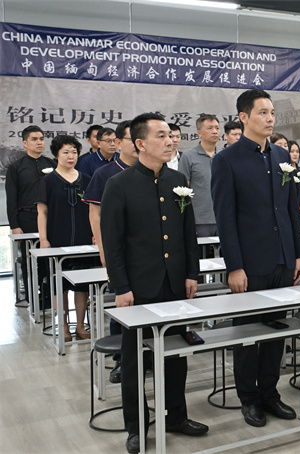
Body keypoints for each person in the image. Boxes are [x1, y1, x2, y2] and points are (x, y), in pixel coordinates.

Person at [101, 113, 208, 453]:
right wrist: (121, 287)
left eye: (171, 135)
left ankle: (176, 415)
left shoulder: (177, 179)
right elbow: (113, 243)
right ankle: (136, 427)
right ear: (140, 143)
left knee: (175, 355)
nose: (170, 140)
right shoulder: (119, 184)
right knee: (135, 361)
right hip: (138, 287)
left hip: (174, 283)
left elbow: (188, 234)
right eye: (160, 135)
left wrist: (191, 273)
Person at [211, 89, 300, 428]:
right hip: (250, 263)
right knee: (247, 335)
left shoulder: (281, 155)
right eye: (262, 112)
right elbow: (226, 218)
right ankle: (248, 398)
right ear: (244, 117)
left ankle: (270, 393)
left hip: (282, 259)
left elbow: (291, 210)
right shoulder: (227, 159)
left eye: (271, 113)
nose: (270, 118)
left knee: (276, 331)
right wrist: (234, 266)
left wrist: (298, 254)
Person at [82, 120, 136, 383]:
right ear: (118, 143)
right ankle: (122, 359)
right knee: (122, 303)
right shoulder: (105, 174)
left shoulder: (155, 171)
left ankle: (148, 354)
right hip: (119, 250)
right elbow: (95, 214)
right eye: (131, 139)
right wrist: (103, 249)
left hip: (147, 252)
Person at [36, 135, 92, 343]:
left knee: (83, 285)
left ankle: (81, 325)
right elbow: (42, 212)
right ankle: (64, 326)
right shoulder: (47, 181)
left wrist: (95, 235)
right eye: (66, 152)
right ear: (56, 155)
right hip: (57, 239)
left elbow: (94, 211)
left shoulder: (86, 179)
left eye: (74, 152)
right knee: (60, 285)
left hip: (84, 239)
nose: (71, 156)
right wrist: (44, 239)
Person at [5, 125, 54, 303]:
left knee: (49, 259)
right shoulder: (16, 167)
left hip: (49, 218)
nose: (39, 142)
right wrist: (15, 225)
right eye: (34, 139)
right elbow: (11, 198)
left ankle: (49, 297)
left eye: (41, 139)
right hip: (26, 218)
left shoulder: (52, 164)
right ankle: (32, 297)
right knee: (28, 260)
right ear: (25, 143)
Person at [179, 114, 220, 236]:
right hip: (199, 220)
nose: (215, 131)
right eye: (210, 128)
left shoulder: (224, 156)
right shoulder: (188, 156)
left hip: (223, 217)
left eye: (217, 128)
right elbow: (183, 190)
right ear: (199, 133)